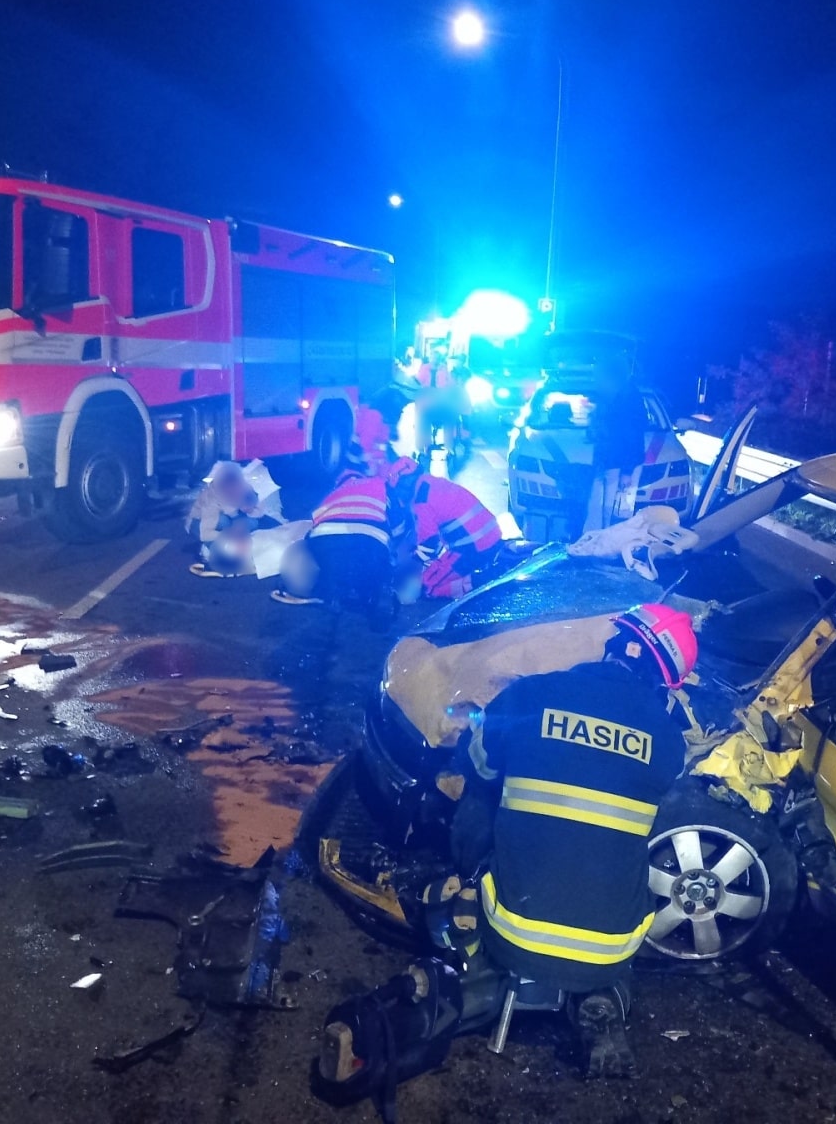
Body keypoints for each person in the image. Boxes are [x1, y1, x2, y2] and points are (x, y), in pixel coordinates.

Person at [316, 605, 698, 1106]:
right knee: (617, 842)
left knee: (482, 797)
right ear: (666, 682)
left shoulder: (532, 694)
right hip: (613, 949)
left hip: (513, 931)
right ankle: (604, 994)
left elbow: (477, 763)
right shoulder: (669, 741)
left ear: (615, 643)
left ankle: (472, 903)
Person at [274, 459, 417, 614]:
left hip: (325, 543)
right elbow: (398, 528)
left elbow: (314, 525)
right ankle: (376, 591)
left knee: (330, 565)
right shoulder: (382, 486)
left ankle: (329, 591)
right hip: (371, 545)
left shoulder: (335, 492)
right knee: (374, 569)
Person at [403, 471, 503, 599]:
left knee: (428, 585)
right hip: (491, 535)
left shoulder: (421, 501)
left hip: (471, 547)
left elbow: (430, 543)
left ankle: (480, 583)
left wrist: (413, 562)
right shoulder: (433, 482)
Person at [583, 350, 648, 534]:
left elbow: (632, 437)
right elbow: (603, 430)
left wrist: (627, 471)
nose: (595, 379)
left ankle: (611, 545)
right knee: (598, 510)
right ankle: (596, 542)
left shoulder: (627, 398)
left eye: (598, 374)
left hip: (620, 465)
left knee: (615, 513)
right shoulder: (610, 396)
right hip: (607, 462)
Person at [185, 461, 283, 577]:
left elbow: (259, 513)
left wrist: (249, 511)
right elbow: (205, 534)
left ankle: (237, 551)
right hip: (200, 524)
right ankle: (208, 553)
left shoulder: (245, 489)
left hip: (230, 519)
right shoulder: (211, 499)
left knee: (251, 523)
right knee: (224, 523)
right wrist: (229, 535)